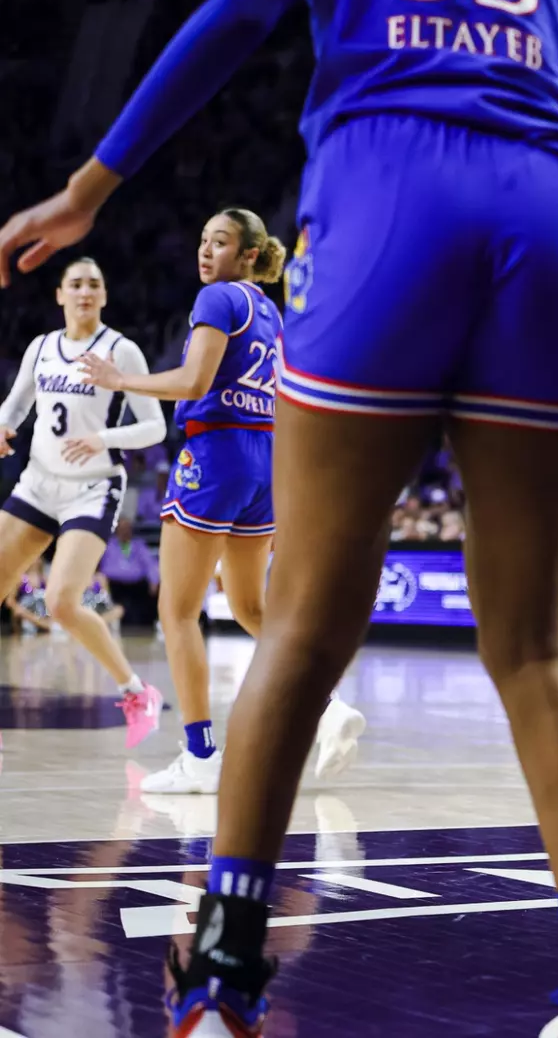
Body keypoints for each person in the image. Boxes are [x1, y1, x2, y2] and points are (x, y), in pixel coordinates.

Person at [0, 0, 558, 1034]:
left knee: (304, 628)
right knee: (537, 645)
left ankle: (226, 958)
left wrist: (90, 188)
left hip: (389, 198)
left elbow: (235, 18)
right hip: (555, 220)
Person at [81, 209, 366, 794]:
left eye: (221, 242)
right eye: (203, 239)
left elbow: (192, 383)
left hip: (217, 455)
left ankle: (200, 755)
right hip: (264, 459)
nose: (206, 251)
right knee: (250, 608)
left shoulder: (217, 301)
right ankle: (331, 708)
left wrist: (119, 381)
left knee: (177, 611)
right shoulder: (272, 313)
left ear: (249, 255)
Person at [0, 257, 166, 745]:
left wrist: (103, 438)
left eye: (94, 283)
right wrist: (4, 426)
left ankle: (137, 691)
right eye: (75, 284)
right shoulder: (42, 347)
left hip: (93, 487)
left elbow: (155, 426)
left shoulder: (121, 350)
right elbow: (17, 402)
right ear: (59, 294)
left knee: (62, 601)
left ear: (105, 296)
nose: (85, 291)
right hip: (39, 481)